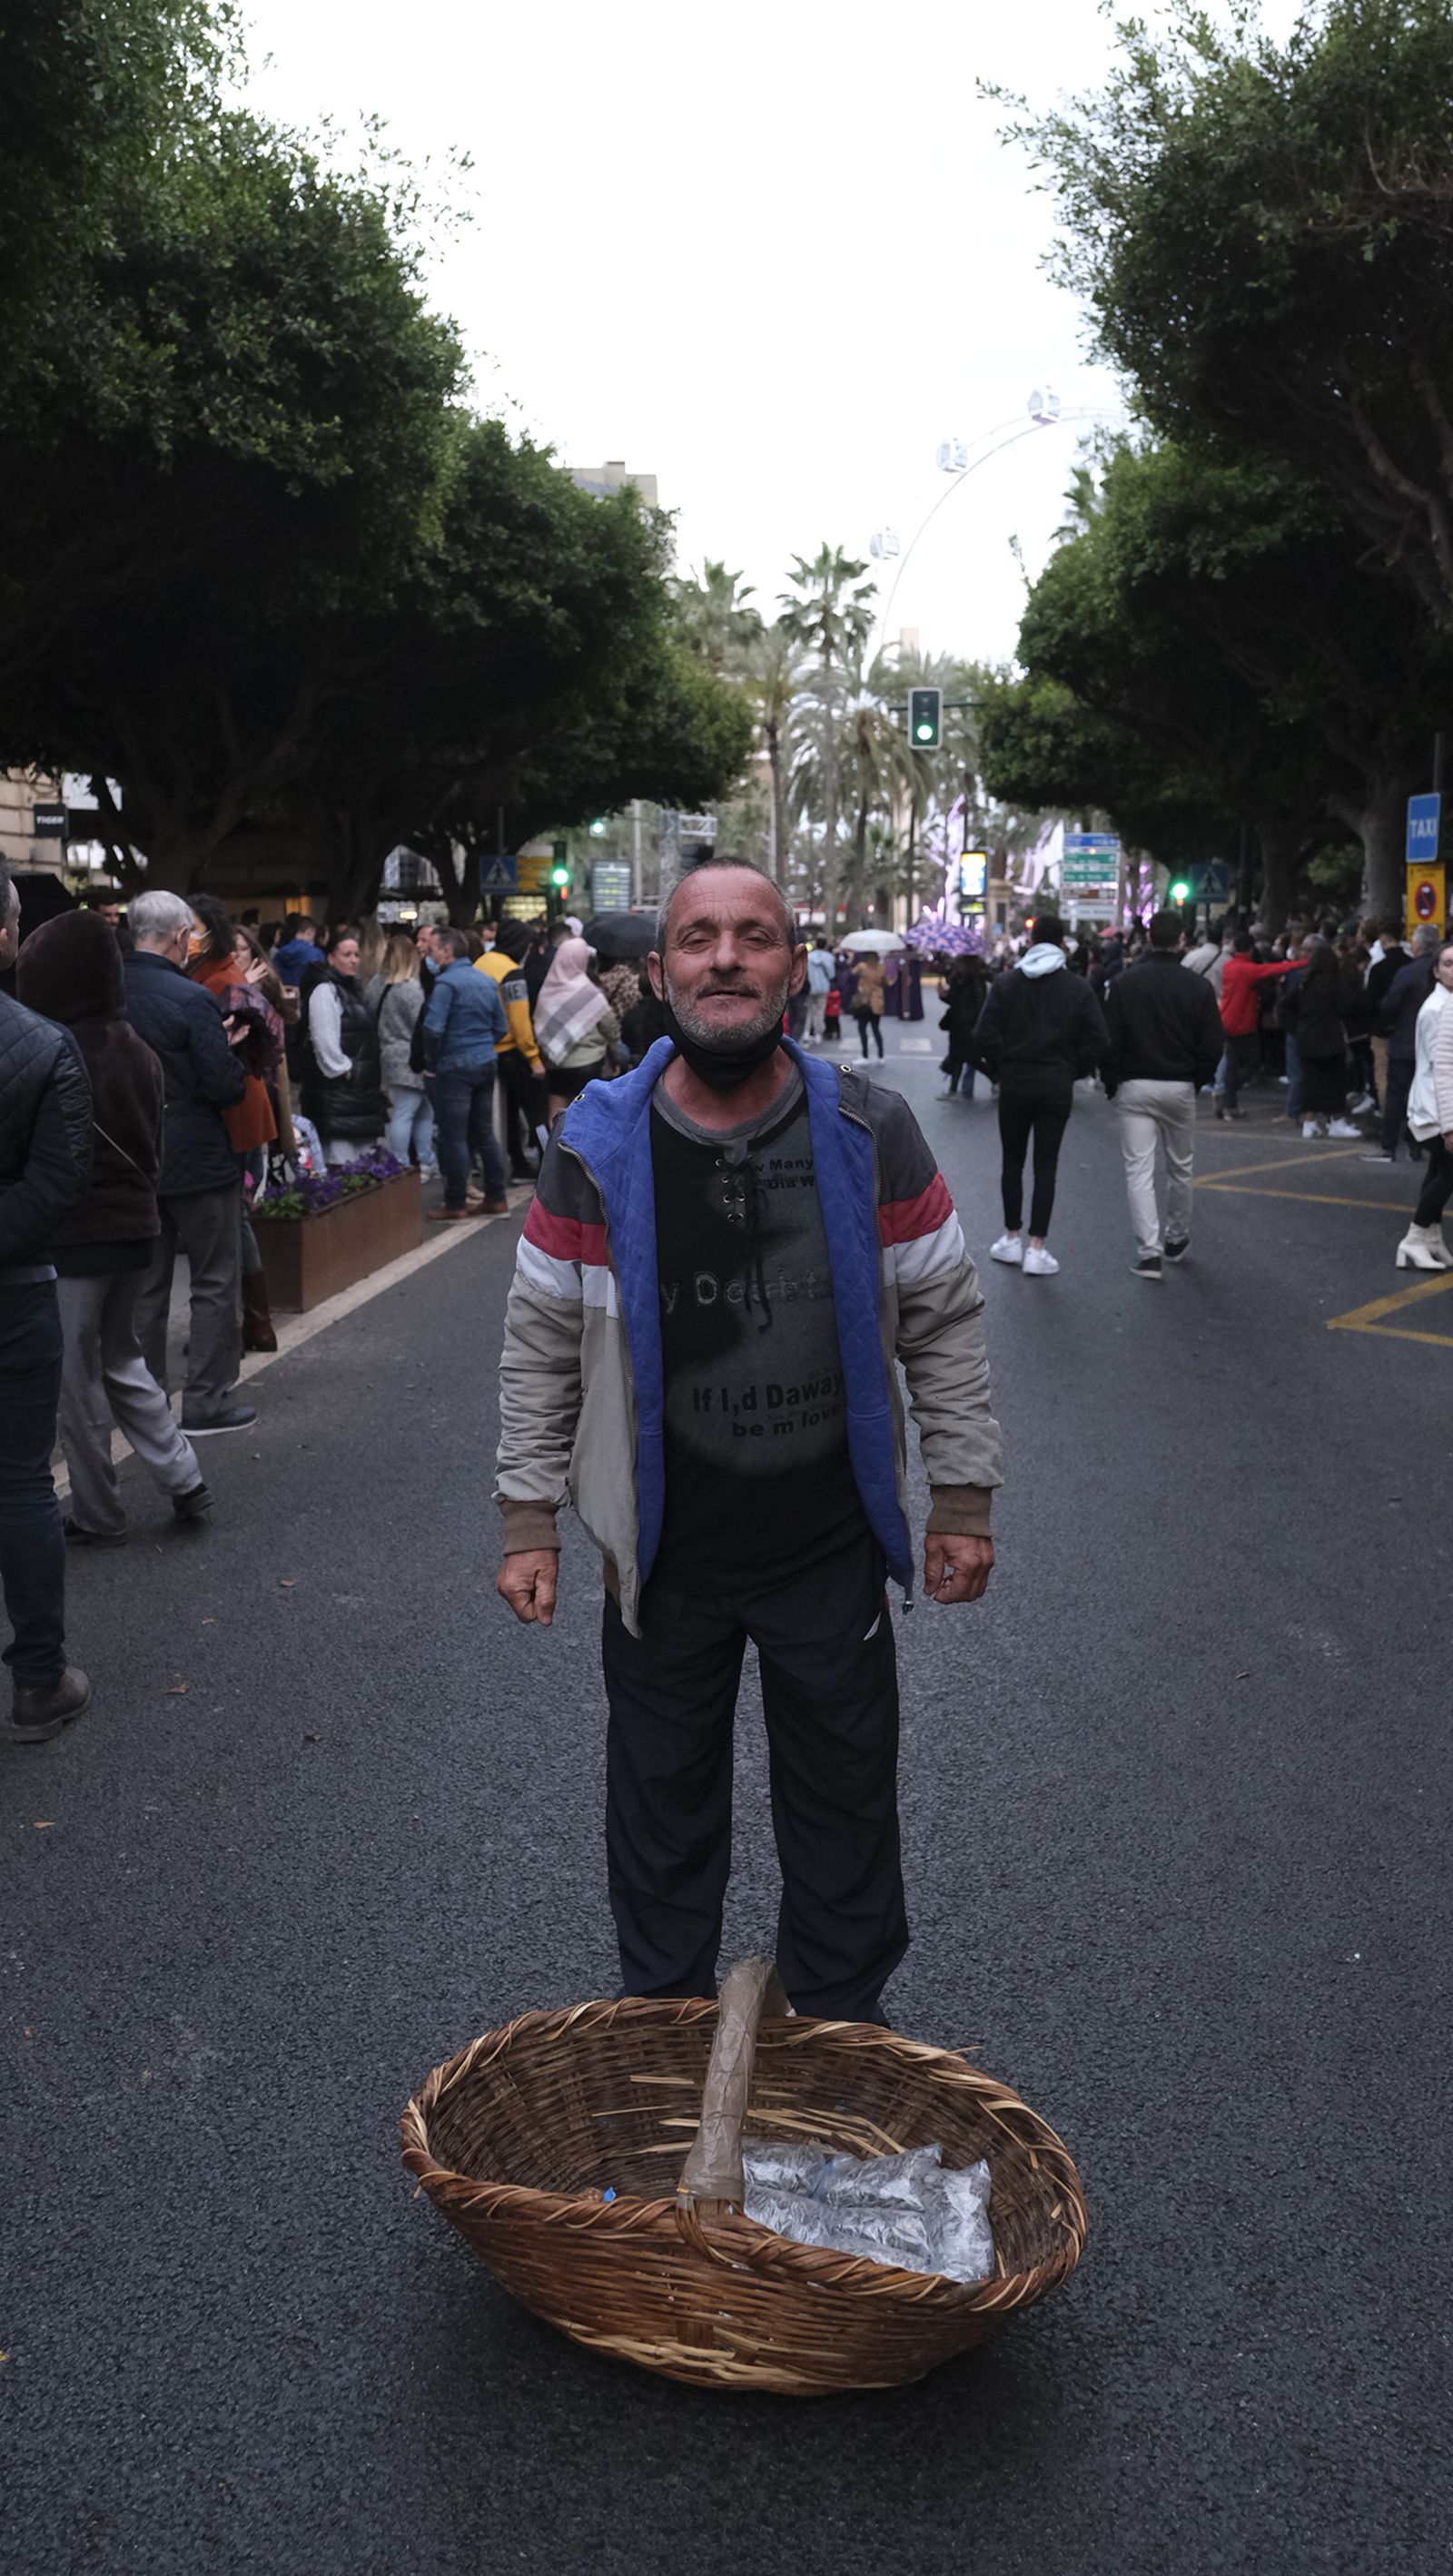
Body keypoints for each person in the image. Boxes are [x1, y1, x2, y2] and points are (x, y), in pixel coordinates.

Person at [494, 857, 1002, 2024]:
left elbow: (941, 1316)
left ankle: (836, 2036)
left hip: (825, 1547)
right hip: (661, 1555)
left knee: (844, 1813)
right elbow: (540, 1340)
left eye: (755, 936)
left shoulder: (872, 1129)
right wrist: (530, 1518)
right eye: (699, 937)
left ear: (795, 967)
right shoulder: (595, 1143)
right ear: (660, 971)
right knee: (660, 1814)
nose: (726, 957)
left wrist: (962, 1497)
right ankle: (666, 2031)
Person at [16, 910, 213, 1542]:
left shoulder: (57, 1048)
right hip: (136, 1227)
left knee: (75, 1377)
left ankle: (98, 1512)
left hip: (78, 1234)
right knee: (123, 1357)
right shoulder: (136, 1048)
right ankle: (184, 1475)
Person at [0, 863, 94, 1742]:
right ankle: (38, 1678)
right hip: (14, 1291)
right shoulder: (42, 1042)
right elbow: (61, 1180)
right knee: (21, 1481)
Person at [125, 891, 256, 1437]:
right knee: (213, 1280)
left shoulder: (107, 992)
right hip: (198, 1157)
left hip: (131, 1156)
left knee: (146, 1289)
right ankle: (203, 1399)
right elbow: (225, 1087)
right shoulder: (191, 998)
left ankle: (146, 1404)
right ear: (181, 936)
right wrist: (225, 1047)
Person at [972, 914, 1109, 1277]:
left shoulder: (1006, 982)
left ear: (1031, 939)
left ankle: (1011, 1237)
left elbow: (983, 1034)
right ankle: (1037, 1247)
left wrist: (1002, 1066)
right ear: (1063, 943)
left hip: (1016, 1082)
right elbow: (1099, 1040)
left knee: (1012, 1162)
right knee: (1046, 1165)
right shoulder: (1077, 988)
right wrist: (1072, 1070)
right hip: (1056, 1086)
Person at [1102, 907, 1225, 1279]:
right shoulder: (1198, 987)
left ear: (1148, 938)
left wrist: (1113, 1082)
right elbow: (1212, 1044)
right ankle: (1177, 1238)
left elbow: (1111, 1042)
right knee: (1181, 1167)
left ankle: (1149, 1252)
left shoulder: (1125, 983)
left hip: (1135, 1084)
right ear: (1183, 940)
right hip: (1179, 1084)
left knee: (1138, 1169)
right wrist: (1196, 1080)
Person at [189, 893, 283, 1354]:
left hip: (233, 1112)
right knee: (232, 1219)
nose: (185, 937)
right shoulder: (218, 976)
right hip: (237, 1109)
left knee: (229, 1220)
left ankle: (245, 1323)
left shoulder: (221, 980)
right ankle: (251, 1322)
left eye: (192, 928)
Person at [420, 925, 509, 1221]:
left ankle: (455, 1202)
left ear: (447, 952)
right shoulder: (485, 981)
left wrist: (434, 1058)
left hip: (454, 1065)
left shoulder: (446, 984)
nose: (428, 954)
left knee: (453, 1135)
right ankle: (496, 1197)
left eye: (432, 949)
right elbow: (501, 1026)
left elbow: (432, 1029)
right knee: (484, 1132)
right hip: (485, 1061)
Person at [299, 924, 387, 1168]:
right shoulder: (325, 990)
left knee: (361, 1164)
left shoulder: (351, 988)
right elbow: (324, 1041)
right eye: (347, 955)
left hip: (356, 1095)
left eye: (356, 955)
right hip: (338, 1095)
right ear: (331, 957)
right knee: (341, 1162)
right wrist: (345, 1070)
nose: (354, 960)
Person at [1396, 938, 1453, 1268]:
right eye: (1446, 964)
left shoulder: (1444, 1003)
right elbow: (1439, 1066)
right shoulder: (1438, 1009)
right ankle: (1416, 1237)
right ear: (1435, 970)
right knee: (1447, 1172)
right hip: (1436, 1105)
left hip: (1435, 1103)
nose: (1452, 970)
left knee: (1438, 1171)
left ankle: (1430, 1238)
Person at [476, 923, 549, 1180]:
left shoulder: (481, 963)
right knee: (537, 1110)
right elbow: (519, 1022)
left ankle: (517, 1163)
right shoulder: (511, 972)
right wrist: (533, 1058)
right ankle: (548, 1166)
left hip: (485, 1048)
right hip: (512, 1052)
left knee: (505, 1113)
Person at [1281, 941, 1362, 1139]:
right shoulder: (1335, 984)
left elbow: (1284, 1007)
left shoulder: (1304, 983)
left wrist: (1295, 1028)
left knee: (1310, 1082)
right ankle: (1336, 1120)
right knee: (1335, 1082)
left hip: (1307, 1039)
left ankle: (1309, 1122)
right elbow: (1346, 1007)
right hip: (1330, 1040)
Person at [1215, 933, 1300, 1118]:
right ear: (1250, 949)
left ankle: (1228, 1100)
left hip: (1227, 1020)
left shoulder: (1229, 967)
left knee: (1232, 1062)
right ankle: (1228, 1095)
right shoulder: (1249, 969)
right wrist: (1302, 963)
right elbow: (1273, 969)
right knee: (1252, 1064)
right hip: (1243, 1024)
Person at [533, 934, 619, 1118]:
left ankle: (554, 1146)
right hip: (588, 1064)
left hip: (555, 1063)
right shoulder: (589, 992)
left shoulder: (547, 989)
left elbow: (538, 1025)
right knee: (585, 1114)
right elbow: (610, 1027)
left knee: (556, 1114)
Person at [1372, 927, 1439, 1163]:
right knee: (1429, 1096)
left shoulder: (1408, 973)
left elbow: (1389, 1004)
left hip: (1406, 1042)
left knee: (1397, 1095)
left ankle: (1388, 1146)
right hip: (1435, 1045)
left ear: (1417, 945)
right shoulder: (1441, 972)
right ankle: (1418, 1144)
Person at [374, 931, 435, 1172]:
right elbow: (420, 1024)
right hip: (410, 1057)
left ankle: (421, 1160)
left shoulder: (377, 984)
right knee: (410, 1112)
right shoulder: (410, 988)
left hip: (387, 1053)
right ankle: (406, 1162)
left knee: (416, 1111)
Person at [1365, 919, 1409, 1136]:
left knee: (1382, 1073)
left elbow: (1371, 1000)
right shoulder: (1411, 965)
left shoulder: (1379, 968)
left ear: (1384, 939)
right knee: (1406, 1075)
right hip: (1407, 1028)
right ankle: (1407, 1117)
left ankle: (1387, 1118)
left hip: (1381, 1028)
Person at [939, 954, 988, 1098]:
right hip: (956, 1025)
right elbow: (953, 1001)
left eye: (959, 962)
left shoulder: (976, 981)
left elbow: (979, 1004)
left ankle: (996, 1079)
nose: (956, 965)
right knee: (956, 1057)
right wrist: (943, 995)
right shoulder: (955, 978)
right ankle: (953, 1090)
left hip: (969, 1027)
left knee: (971, 1057)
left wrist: (968, 1019)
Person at [850, 950, 886, 1058]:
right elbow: (885, 982)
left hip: (864, 1000)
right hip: (877, 1000)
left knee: (862, 1028)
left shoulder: (862, 966)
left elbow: (852, 974)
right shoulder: (881, 967)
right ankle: (881, 1055)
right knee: (876, 1028)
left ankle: (865, 1055)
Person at [272, 913, 323, 985]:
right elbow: (321, 979)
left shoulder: (279, 953)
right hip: (307, 993)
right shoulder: (316, 954)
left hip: (285, 992)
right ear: (309, 932)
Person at [805, 939, 834, 1041]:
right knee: (820, 1010)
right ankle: (818, 1033)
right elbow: (831, 975)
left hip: (810, 986)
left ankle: (806, 1032)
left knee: (808, 1010)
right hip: (823, 987)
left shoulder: (808, 956)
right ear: (825, 946)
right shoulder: (829, 958)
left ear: (816, 945)